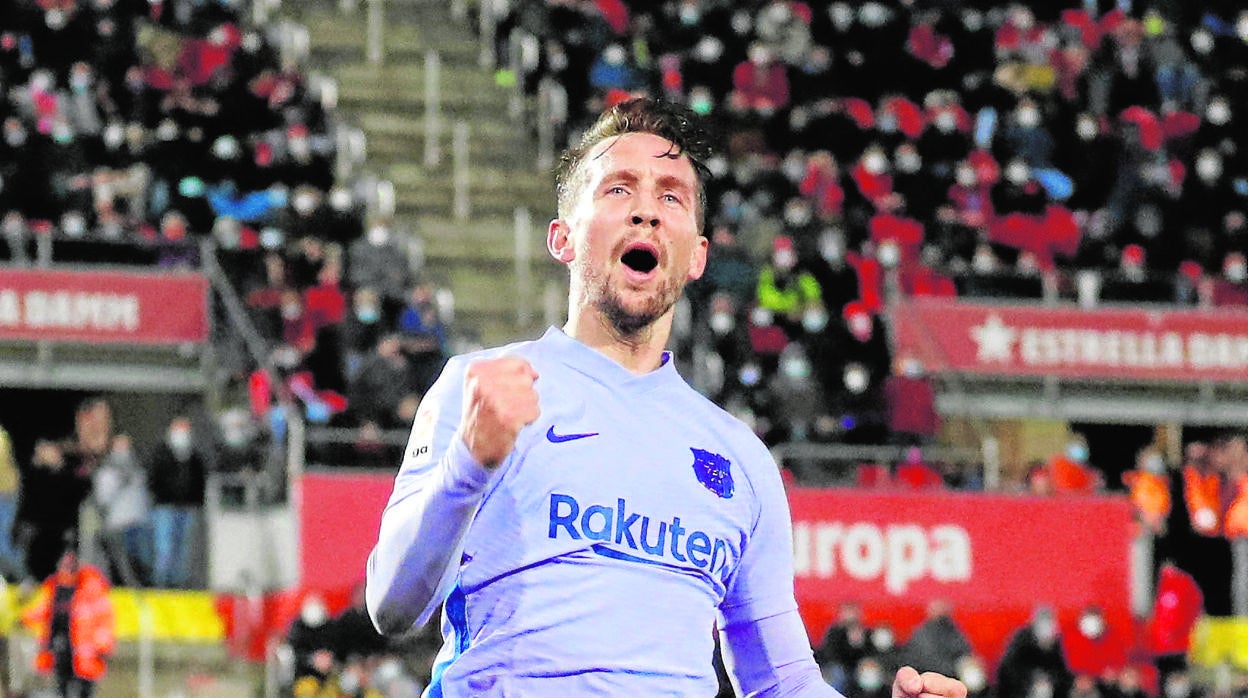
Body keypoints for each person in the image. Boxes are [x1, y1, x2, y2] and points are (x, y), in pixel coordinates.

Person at [365, 98, 966, 697]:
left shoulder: (740, 458)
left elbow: (780, 681)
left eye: (671, 196)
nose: (646, 211)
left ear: (698, 255)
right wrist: (469, 465)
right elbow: (393, 606)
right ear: (563, 237)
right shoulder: (482, 390)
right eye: (619, 190)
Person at [21, 542, 116, 698]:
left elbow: (104, 620)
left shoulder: (92, 587)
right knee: (62, 685)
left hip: (85, 652)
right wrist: (24, 618)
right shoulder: (55, 586)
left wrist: (103, 645)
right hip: (61, 646)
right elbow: (46, 609)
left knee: (84, 688)